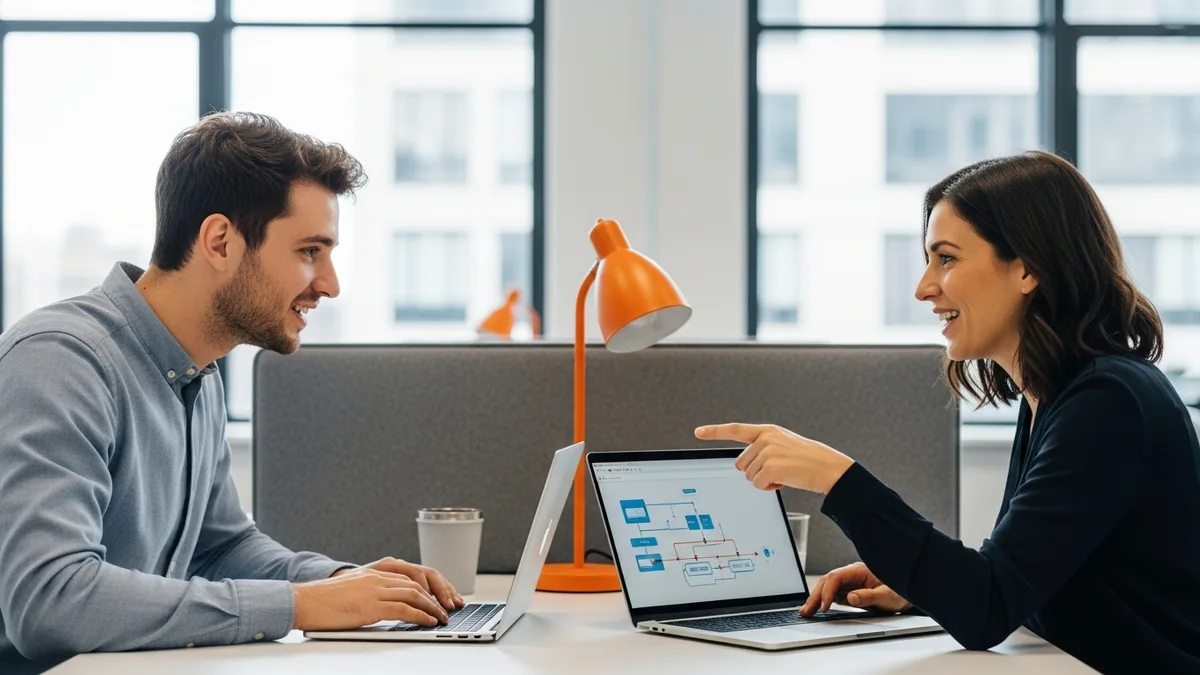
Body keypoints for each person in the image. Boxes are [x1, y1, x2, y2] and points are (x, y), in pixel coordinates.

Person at [696, 150, 1200, 673]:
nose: (923, 287)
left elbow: (986, 610)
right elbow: (1020, 579)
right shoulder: (1060, 394)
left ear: (1028, 267)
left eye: (947, 258)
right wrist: (918, 586)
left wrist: (836, 477)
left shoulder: (1107, 403)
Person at [0, 112, 464, 666]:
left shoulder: (198, 373)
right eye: (309, 251)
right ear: (220, 241)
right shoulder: (63, 361)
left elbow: (220, 547)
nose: (330, 285)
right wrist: (298, 605)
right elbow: (50, 601)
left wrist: (346, 583)